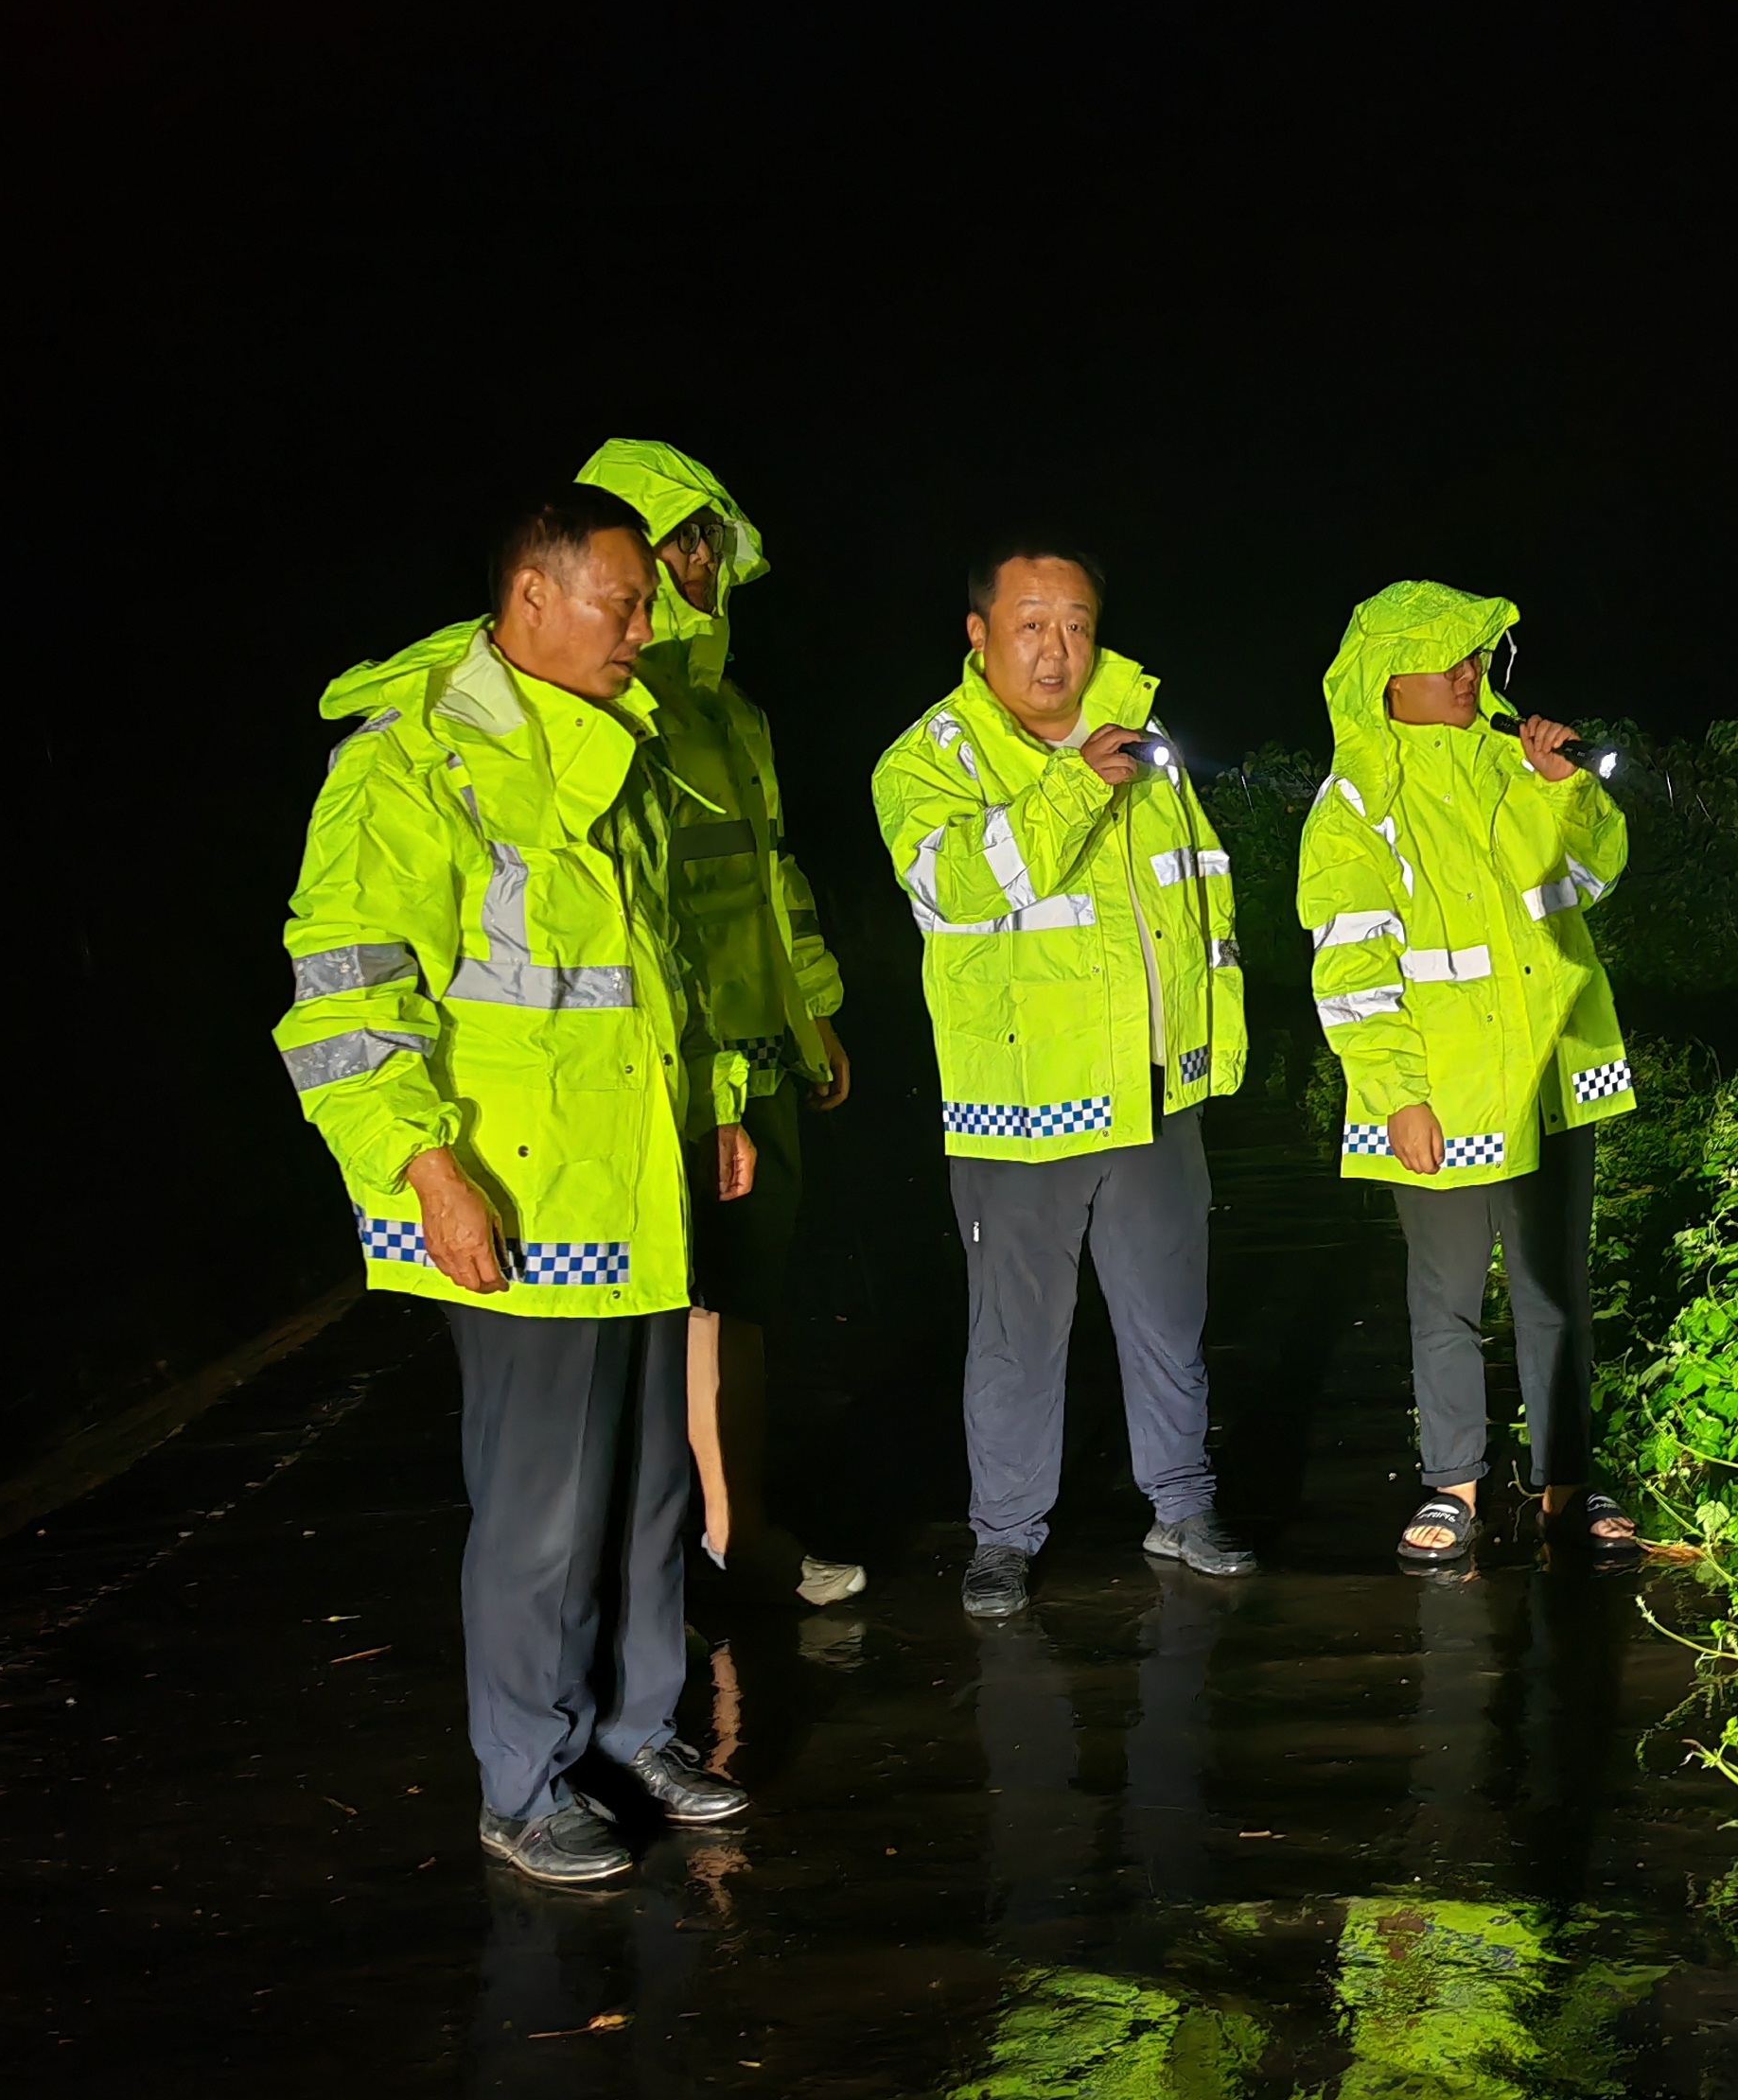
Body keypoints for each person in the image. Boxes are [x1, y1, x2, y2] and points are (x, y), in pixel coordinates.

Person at [274, 482, 759, 1885]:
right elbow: (348, 992)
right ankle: (527, 1778)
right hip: (522, 1195)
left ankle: (637, 1730)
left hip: (640, 1185)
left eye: (649, 604)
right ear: (531, 600)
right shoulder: (415, 758)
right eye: (623, 602)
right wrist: (424, 1166)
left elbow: (665, 969)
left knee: (654, 1483)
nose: (644, 626)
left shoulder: (622, 740)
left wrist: (714, 1098)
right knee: (542, 1508)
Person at [870, 547, 1257, 1616]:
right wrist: (1075, 783)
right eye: (1032, 624)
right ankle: (1002, 1535)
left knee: (1169, 1316)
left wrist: (1205, 1054)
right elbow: (954, 887)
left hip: (1147, 1091)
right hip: (1023, 1104)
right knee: (1014, 1335)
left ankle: (1182, 1507)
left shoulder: (1145, 744)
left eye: (1078, 625)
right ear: (978, 633)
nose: (1058, 649)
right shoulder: (925, 760)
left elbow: (1192, 907)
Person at [571, 438, 868, 1613]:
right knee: (663, 1322)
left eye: (706, 539)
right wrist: (717, 1081)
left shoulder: (731, 715)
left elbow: (770, 879)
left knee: (737, 1313)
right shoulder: (611, 714)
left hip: (761, 1053)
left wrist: (819, 1013)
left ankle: (738, 1535)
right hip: (676, 1073)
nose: (695, 561)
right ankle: (672, 1568)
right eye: (670, 539)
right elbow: (646, 920)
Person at [1296, 583, 1641, 1568]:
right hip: (1439, 1099)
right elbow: (1352, 965)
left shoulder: (1512, 761)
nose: (1468, 672)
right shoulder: (1358, 801)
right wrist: (1396, 1090)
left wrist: (1560, 788)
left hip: (1549, 1076)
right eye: (1445, 657)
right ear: (1382, 677)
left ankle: (1566, 1483)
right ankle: (1452, 1483)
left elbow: (1590, 880)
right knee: (1445, 1294)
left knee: (1555, 1290)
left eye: (1477, 654)